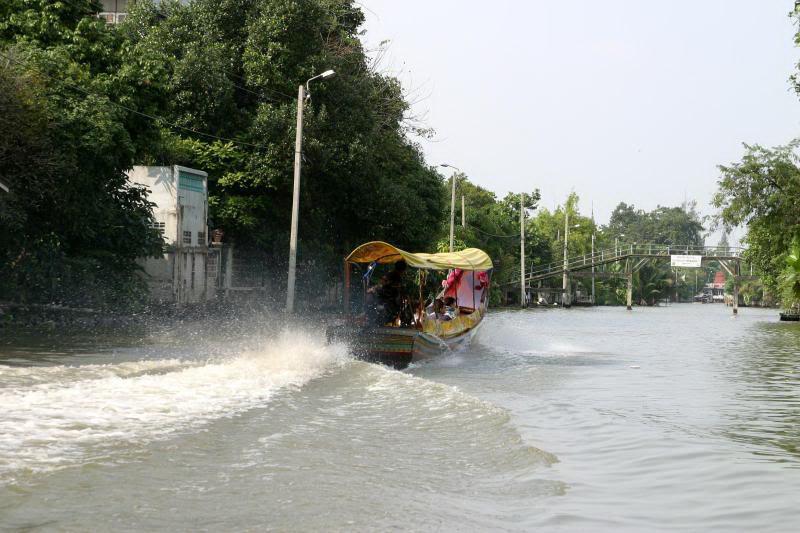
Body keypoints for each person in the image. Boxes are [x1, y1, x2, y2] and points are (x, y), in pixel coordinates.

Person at [368, 260, 407, 325]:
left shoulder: (391, 274)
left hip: (385, 297)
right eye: (404, 270)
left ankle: (384, 320)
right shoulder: (394, 275)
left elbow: (382, 284)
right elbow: (384, 284)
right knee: (393, 308)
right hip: (386, 298)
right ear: (402, 270)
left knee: (394, 307)